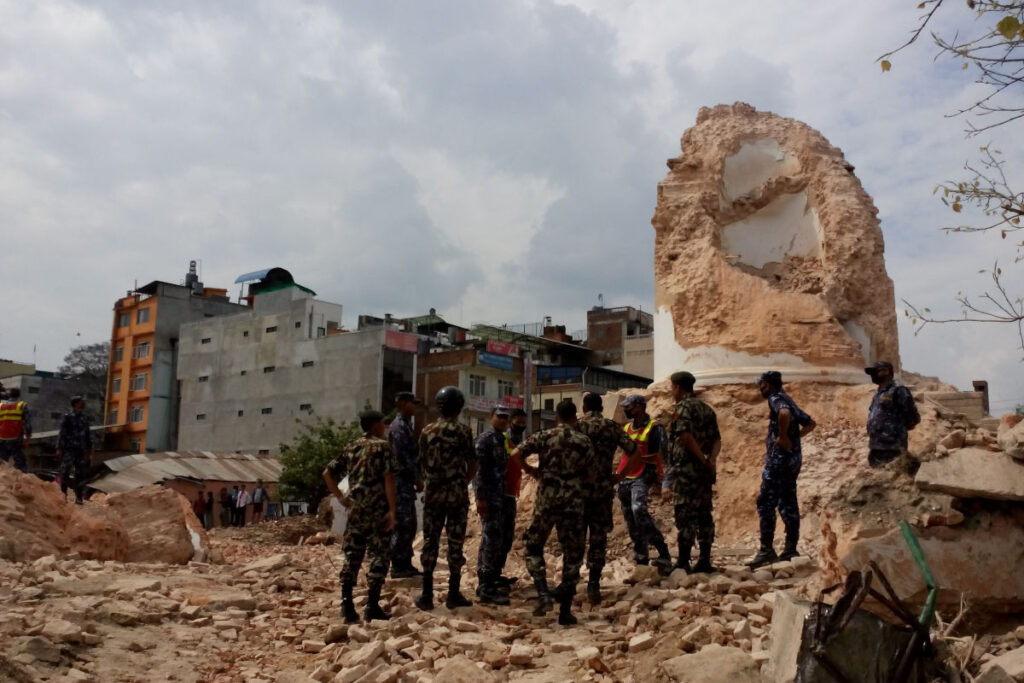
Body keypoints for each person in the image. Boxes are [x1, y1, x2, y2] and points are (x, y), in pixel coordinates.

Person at [510, 399, 596, 626]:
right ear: (574, 417)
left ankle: (543, 593)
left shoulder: (544, 436)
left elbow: (515, 453)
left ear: (557, 416)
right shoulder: (584, 441)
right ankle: (565, 611)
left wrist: (531, 470)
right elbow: (591, 476)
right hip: (573, 504)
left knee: (533, 546)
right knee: (572, 554)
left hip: (547, 502)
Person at [323, 409, 397, 623]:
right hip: (377, 510)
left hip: (355, 509)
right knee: (378, 556)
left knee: (352, 555)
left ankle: (347, 604)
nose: (384, 428)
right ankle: (372, 606)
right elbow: (388, 478)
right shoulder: (383, 447)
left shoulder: (351, 447)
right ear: (375, 426)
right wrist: (392, 510)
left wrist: (340, 497)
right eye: (382, 424)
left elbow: (327, 473)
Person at [414, 386, 477, 611]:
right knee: (455, 543)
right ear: (458, 407)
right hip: (457, 495)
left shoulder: (427, 431)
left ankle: (427, 594)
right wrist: (461, 480)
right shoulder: (464, 431)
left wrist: (431, 479)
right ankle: (453, 593)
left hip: (433, 496)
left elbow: (420, 462)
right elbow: (473, 463)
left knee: (430, 542)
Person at [748, 371, 816, 569]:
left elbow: (783, 413)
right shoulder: (788, 398)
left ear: (768, 384)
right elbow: (810, 423)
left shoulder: (776, 398)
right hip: (792, 461)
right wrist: (795, 439)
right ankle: (790, 550)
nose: (760, 388)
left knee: (765, 502)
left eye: (761, 384)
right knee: (788, 502)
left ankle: (767, 550)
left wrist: (783, 437)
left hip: (778, 461)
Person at [576, 392, 637, 604]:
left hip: (579, 490)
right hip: (602, 490)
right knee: (598, 538)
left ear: (583, 408)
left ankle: (570, 580)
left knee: (576, 536)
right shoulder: (612, 427)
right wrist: (620, 475)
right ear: (602, 408)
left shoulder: (577, 426)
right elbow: (633, 450)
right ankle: (593, 584)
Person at [663, 372, 721, 574]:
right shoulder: (707, 409)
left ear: (678, 387)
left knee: (685, 515)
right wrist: (711, 460)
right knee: (704, 514)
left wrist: (701, 459)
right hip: (704, 473)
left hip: (687, 471)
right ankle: (704, 559)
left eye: (672, 388)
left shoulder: (683, 408)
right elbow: (717, 439)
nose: (672, 392)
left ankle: (684, 561)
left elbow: (686, 437)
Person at [615, 394, 672, 573]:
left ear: (639, 407)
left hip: (643, 473)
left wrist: (666, 483)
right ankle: (641, 560)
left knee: (638, 509)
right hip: (624, 475)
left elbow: (667, 457)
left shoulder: (655, 428)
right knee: (630, 519)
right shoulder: (626, 428)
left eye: (629, 406)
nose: (626, 410)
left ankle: (663, 552)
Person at [473, 405, 512, 605]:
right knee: (491, 540)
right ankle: (486, 587)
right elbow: (478, 472)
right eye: (500, 417)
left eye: (506, 417)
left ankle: (490, 578)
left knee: (497, 538)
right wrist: (480, 498)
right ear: (491, 417)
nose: (504, 420)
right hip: (489, 498)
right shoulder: (485, 440)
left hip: (500, 497)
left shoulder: (500, 439)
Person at [388, 391, 424, 579]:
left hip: (406, 483)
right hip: (401, 482)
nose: (415, 407)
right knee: (403, 524)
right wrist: (417, 477)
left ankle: (405, 562)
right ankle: (398, 564)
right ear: (402, 403)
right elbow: (403, 458)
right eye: (412, 403)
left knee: (410, 524)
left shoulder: (406, 426)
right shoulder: (399, 427)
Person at [865, 361, 920, 468]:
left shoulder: (898, 391)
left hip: (892, 447)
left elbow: (912, 417)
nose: (872, 375)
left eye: (874, 372)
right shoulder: (878, 394)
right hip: (876, 446)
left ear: (886, 372)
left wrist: (897, 429)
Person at [497, 408, 528, 587]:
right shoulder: (505, 440)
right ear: (510, 422)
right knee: (499, 536)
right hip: (501, 493)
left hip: (510, 492)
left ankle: (497, 572)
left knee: (507, 536)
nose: (521, 426)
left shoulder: (518, 440)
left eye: (524, 423)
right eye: (518, 422)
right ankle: (491, 575)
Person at [56, 396, 92, 504]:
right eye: (81, 402)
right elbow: (62, 433)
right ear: (75, 404)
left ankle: (79, 498)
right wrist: (59, 448)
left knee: (80, 474)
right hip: (69, 450)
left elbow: (88, 435)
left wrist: (89, 449)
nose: (83, 404)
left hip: (80, 450)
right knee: (65, 472)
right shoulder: (67, 417)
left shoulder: (84, 418)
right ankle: (63, 495)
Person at [0, 387, 32, 472]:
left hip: (2, 438)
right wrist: (27, 438)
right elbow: (28, 425)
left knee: (2, 463)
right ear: (19, 395)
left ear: (8, 395)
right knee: (20, 464)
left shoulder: (1, 406)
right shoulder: (22, 405)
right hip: (15, 438)